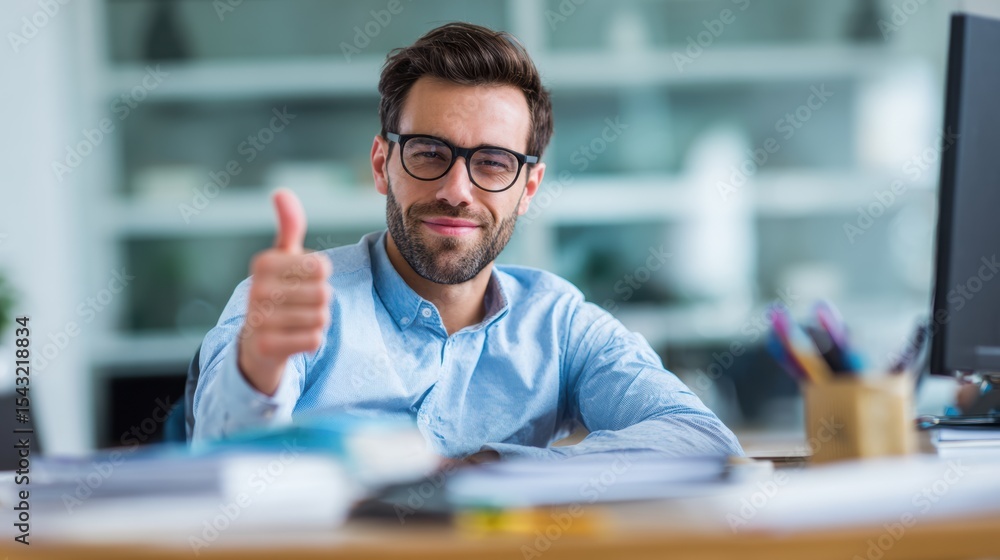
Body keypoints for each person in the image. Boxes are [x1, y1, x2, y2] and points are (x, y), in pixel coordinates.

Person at [193, 22, 744, 460]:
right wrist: (256, 374)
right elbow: (215, 466)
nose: (457, 191)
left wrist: (500, 467)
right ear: (383, 165)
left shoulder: (560, 325)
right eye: (430, 153)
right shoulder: (292, 303)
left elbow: (700, 439)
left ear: (528, 188)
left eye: (493, 162)